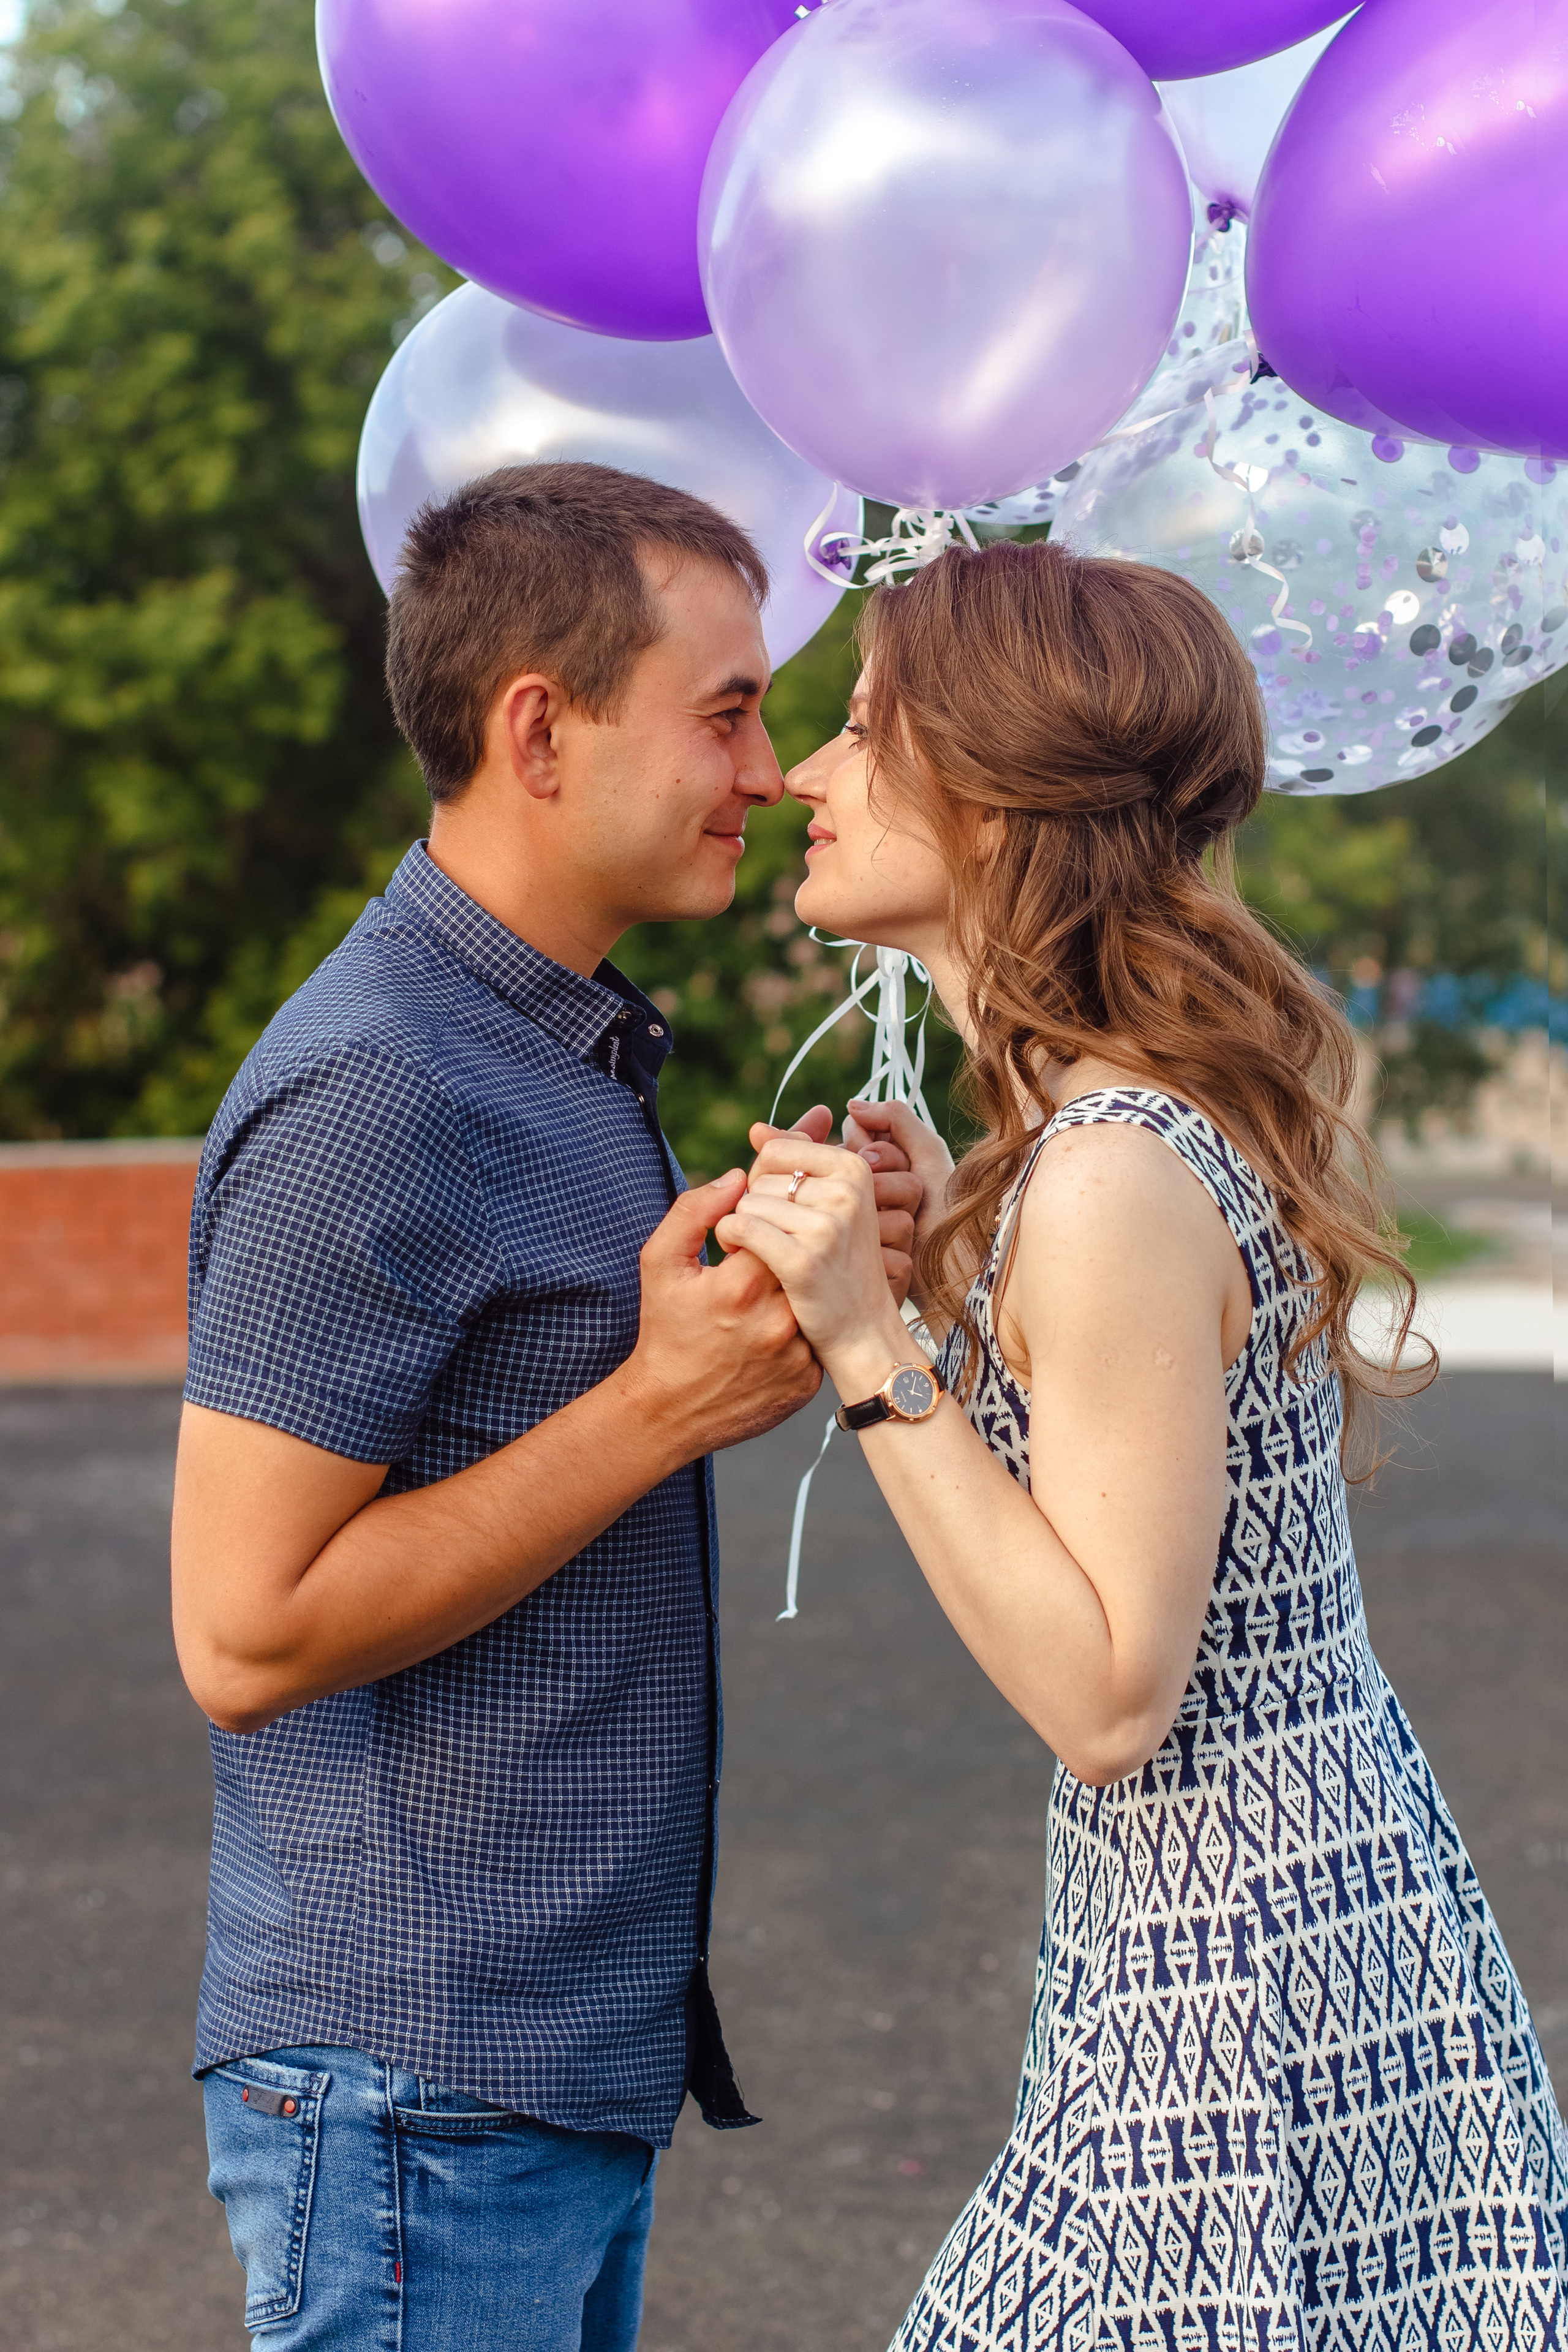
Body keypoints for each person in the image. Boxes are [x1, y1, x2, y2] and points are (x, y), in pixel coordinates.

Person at [723, 538, 1568, 2350]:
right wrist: (952, 1281)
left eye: (866, 732)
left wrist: (872, 1345)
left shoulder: (1112, 1170)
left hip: (1234, 1962)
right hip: (1289, 1907)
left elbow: (1110, 1694)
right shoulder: (1100, 1140)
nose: (807, 772)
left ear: (995, 790)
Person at [168, 461, 919, 2350]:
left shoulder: (545, 1045)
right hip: (415, 2087)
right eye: (730, 711)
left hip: (525, 2086)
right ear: (539, 728)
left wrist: (784, 1272)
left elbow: (521, 1399)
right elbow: (242, 1633)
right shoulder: (380, 1082)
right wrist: (661, 1407)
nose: (766, 771)